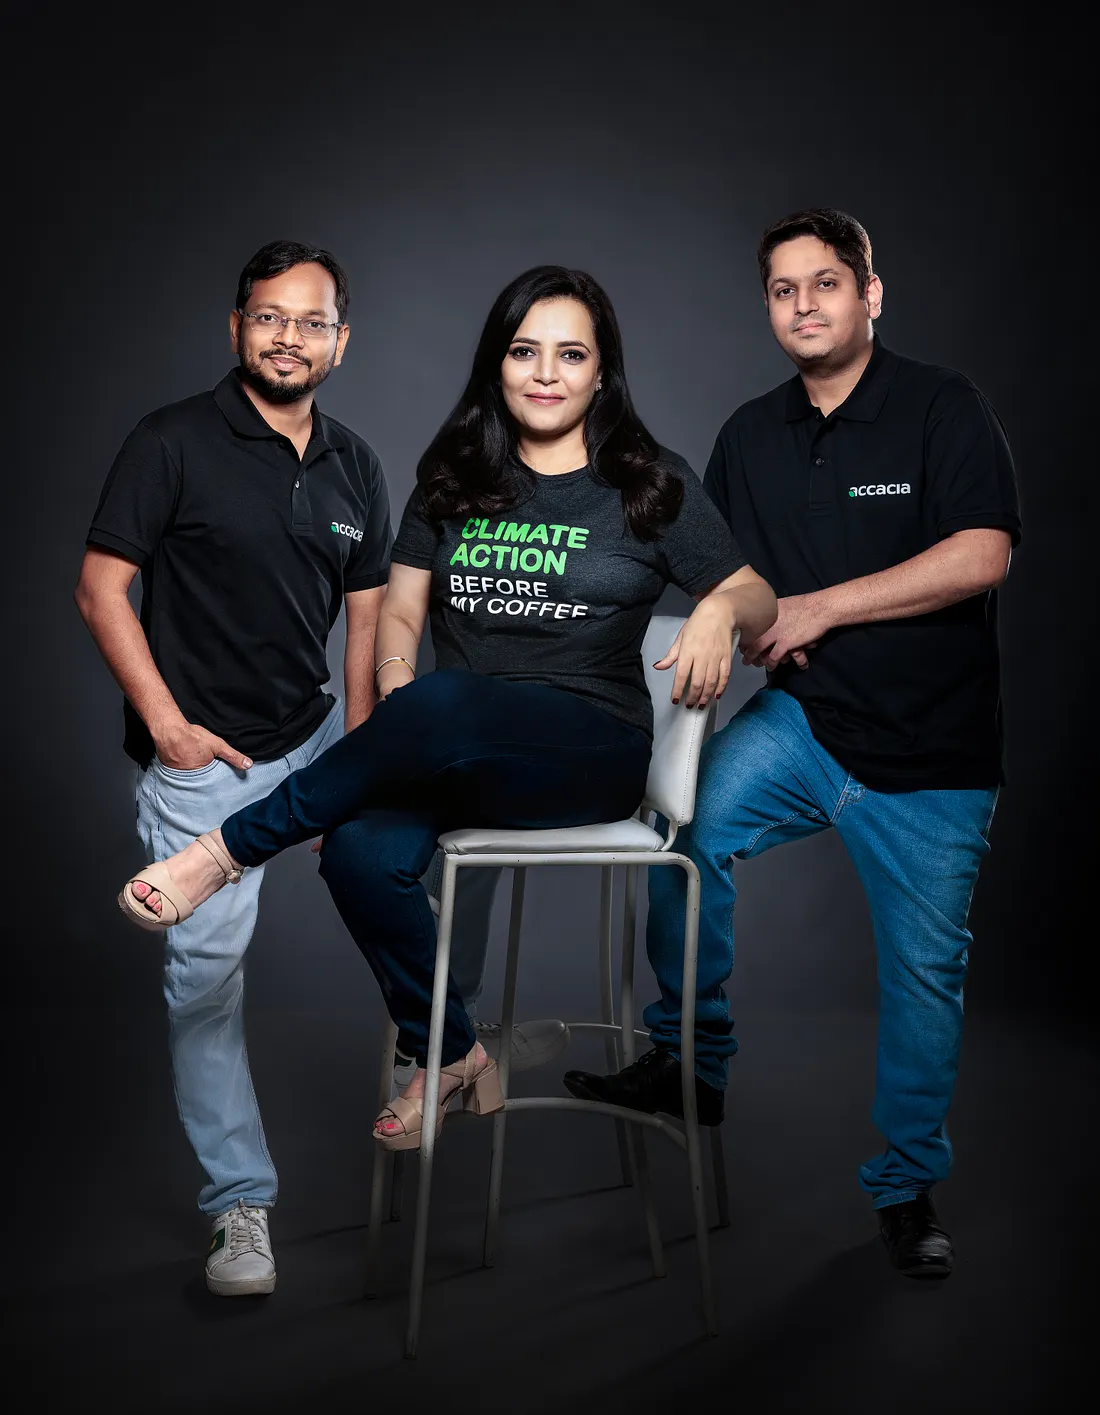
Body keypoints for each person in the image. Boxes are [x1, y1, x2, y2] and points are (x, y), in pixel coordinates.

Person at [114, 263, 778, 1159]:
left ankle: (224, 850)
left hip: (587, 752)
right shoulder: (454, 475)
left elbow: (757, 594)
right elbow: (399, 611)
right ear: (497, 364)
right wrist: (396, 682)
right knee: (357, 850)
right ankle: (455, 1051)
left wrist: (717, 610)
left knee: (448, 697)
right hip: (450, 745)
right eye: (524, 351)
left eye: (571, 354)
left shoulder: (648, 481)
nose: (546, 373)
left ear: (601, 371)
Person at [76, 242, 555, 1300]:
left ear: (342, 340)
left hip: (315, 739)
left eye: (310, 321)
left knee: (412, 858)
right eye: (268, 316)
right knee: (206, 984)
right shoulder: (171, 440)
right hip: (205, 759)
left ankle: (444, 1047)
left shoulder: (354, 464)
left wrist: (360, 750)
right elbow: (102, 587)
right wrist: (167, 726)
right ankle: (238, 1205)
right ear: (236, 327)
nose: (288, 337)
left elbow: (367, 625)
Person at [564, 209, 1020, 1280]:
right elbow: (720, 575)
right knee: (684, 830)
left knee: (923, 978)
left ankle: (905, 1187)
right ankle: (691, 1060)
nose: (804, 305)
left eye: (825, 283)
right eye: (783, 289)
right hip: (806, 725)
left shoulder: (940, 405)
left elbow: (982, 554)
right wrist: (724, 616)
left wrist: (818, 608)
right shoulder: (749, 434)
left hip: (934, 753)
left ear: (870, 293)